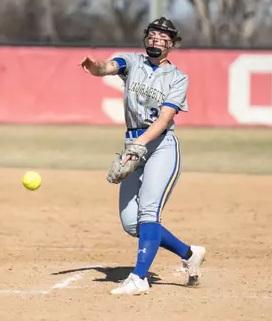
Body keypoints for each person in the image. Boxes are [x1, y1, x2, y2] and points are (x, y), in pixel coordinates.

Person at [79, 17, 206, 295]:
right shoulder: (132, 62)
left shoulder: (178, 78)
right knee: (131, 223)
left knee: (149, 210)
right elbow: (109, 67)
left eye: (163, 37)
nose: (156, 40)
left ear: (172, 44)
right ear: (145, 38)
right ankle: (188, 253)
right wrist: (96, 67)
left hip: (160, 146)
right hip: (133, 145)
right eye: (152, 35)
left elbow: (164, 119)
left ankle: (139, 277)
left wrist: (140, 145)